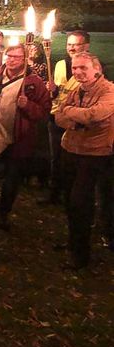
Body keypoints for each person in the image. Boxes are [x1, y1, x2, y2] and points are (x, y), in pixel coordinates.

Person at [0, 43, 50, 230]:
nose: (10, 60)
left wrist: (28, 106)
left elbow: (44, 111)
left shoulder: (34, 82)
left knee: (12, 179)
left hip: (18, 139)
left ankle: (3, 212)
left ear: (24, 59)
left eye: (16, 57)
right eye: (8, 56)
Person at [54, 52, 114, 269]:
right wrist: (74, 121)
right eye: (75, 68)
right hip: (70, 149)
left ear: (96, 69)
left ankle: (82, 253)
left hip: (94, 154)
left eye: (83, 68)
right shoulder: (77, 91)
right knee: (69, 200)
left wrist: (71, 112)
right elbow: (58, 116)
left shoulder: (109, 91)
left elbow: (94, 115)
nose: (78, 72)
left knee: (81, 202)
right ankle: (73, 242)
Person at [42, 30, 90, 205]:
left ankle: (71, 194)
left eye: (76, 44)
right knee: (56, 156)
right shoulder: (60, 64)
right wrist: (52, 90)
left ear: (86, 46)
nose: (71, 47)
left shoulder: (92, 67)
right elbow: (56, 93)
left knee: (72, 157)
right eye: (69, 44)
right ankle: (54, 192)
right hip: (56, 116)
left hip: (75, 120)